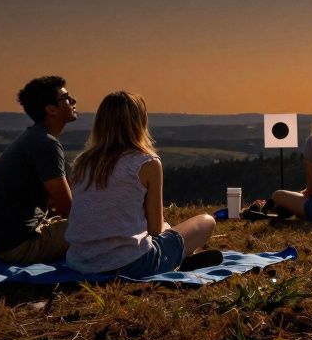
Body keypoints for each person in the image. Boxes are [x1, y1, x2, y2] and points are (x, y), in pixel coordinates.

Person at [65, 92, 216, 276]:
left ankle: (179, 258)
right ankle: (179, 258)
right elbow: (154, 229)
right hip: (132, 264)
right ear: (139, 122)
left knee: (166, 231)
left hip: (80, 263)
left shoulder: (82, 162)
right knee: (206, 221)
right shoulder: (146, 163)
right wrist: (166, 227)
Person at [0, 75, 78, 264]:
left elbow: (53, 202)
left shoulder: (34, 138)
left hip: (9, 245)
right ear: (51, 109)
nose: (73, 101)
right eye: (66, 98)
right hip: (23, 247)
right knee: (105, 230)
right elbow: (67, 208)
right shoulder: (46, 144)